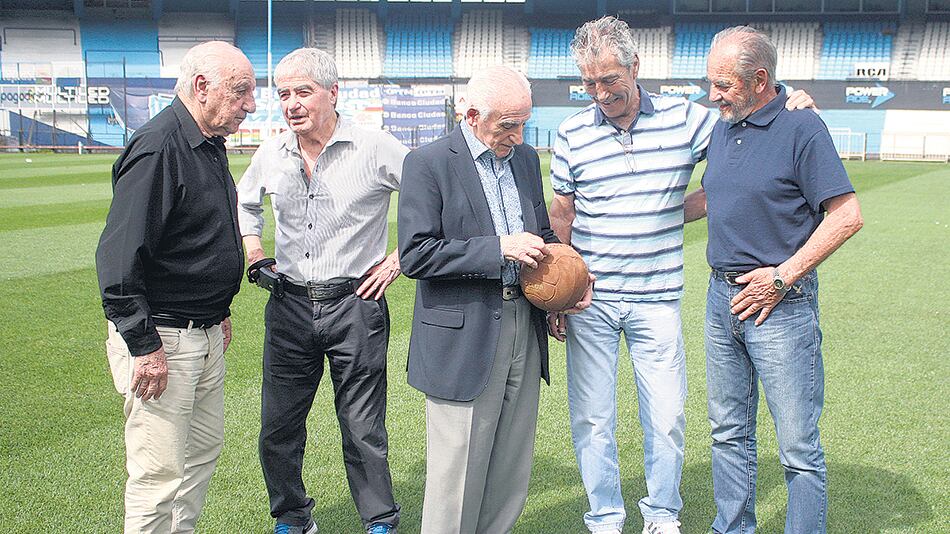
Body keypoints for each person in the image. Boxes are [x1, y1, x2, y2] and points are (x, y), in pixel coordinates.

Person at [548, 16, 816, 534]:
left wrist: (792, 103)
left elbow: (747, 154)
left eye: (610, 80)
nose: (600, 93)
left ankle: (662, 515)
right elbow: (563, 212)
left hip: (658, 297)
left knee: (667, 419)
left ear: (635, 67)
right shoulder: (569, 132)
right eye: (589, 83)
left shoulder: (687, 120)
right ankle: (605, 517)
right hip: (592, 302)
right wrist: (565, 287)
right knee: (592, 418)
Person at [684, 26, 862, 534]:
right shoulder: (724, 124)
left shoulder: (803, 127)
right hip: (722, 300)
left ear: (760, 79)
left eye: (723, 85)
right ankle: (732, 528)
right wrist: (645, 211)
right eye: (710, 83)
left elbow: (846, 216)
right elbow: (714, 196)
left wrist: (782, 277)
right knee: (727, 432)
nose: (711, 95)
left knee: (797, 447)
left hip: (781, 305)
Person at [398, 65, 591, 534]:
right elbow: (414, 255)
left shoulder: (524, 160)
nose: (518, 135)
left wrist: (562, 290)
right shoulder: (427, 162)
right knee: (457, 471)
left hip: (523, 323)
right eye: (508, 124)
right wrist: (497, 246)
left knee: (510, 464)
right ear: (471, 115)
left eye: (524, 122)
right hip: (463, 332)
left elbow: (541, 234)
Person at [236, 48, 406, 534]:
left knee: (362, 428)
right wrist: (254, 255)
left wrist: (399, 259)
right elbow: (244, 204)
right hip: (288, 305)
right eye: (283, 93)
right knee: (278, 428)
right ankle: (291, 517)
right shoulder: (272, 152)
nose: (291, 103)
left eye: (302, 92)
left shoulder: (376, 147)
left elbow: (429, 197)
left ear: (334, 93)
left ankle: (379, 520)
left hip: (357, 305)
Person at [95, 41, 256, 533]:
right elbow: (119, 259)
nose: (249, 104)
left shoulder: (207, 142)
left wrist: (219, 308)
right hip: (164, 339)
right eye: (241, 91)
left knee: (200, 455)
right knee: (158, 472)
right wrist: (144, 347)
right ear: (201, 86)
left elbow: (199, 238)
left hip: (204, 333)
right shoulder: (159, 146)